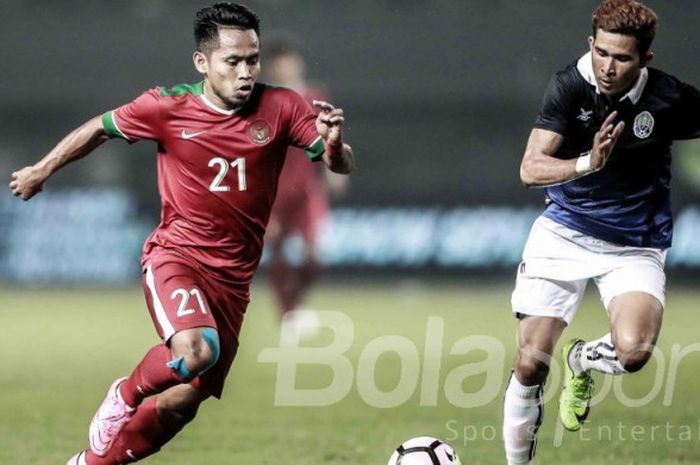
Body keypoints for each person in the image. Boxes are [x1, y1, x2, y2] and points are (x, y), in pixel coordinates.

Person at [9, 3, 354, 465]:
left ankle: (88, 464)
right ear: (202, 63)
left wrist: (333, 145)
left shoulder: (283, 106)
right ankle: (125, 393)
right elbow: (101, 127)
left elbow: (339, 162)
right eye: (232, 61)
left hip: (233, 283)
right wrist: (42, 169)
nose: (246, 72)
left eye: (251, 60)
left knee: (182, 402)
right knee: (196, 350)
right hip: (178, 257)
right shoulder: (166, 106)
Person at [502, 1, 700, 463]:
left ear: (645, 60)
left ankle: (582, 360)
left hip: (635, 243)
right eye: (602, 53)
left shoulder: (669, 97)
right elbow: (530, 169)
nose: (608, 67)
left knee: (634, 352)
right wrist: (589, 162)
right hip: (565, 231)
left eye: (622, 58)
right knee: (531, 363)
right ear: (591, 44)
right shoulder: (569, 85)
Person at [262, 36, 349, 339]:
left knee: (314, 254)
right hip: (274, 190)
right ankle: (288, 313)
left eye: (288, 59)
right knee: (277, 253)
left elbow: (329, 138)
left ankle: (294, 305)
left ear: (297, 63)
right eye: (277, 61)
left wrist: (336, 169)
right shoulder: (263, 102)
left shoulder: (316, 96)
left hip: (308, 190)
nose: (283, 66)